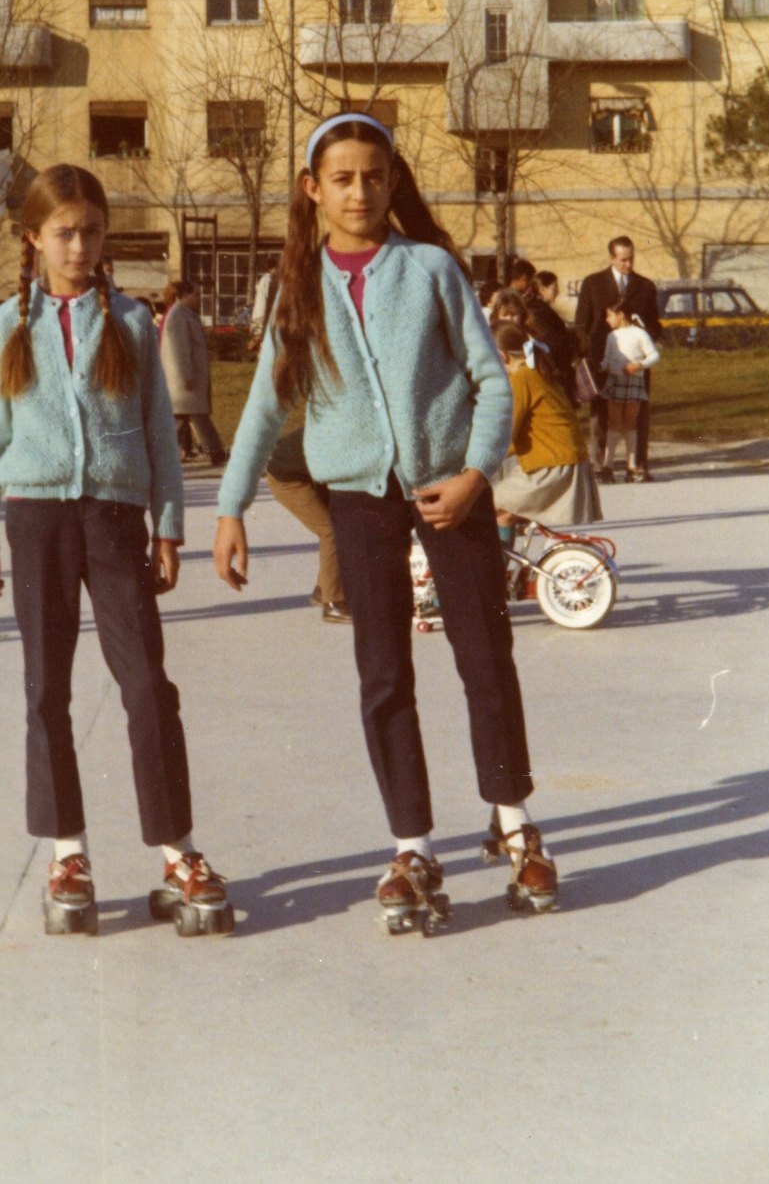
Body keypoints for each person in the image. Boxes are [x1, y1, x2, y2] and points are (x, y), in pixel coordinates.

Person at [213, 111, 558, 922]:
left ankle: (515, 825)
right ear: (313, 190)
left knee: (484, 655)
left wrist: (475, 476)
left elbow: (492, 381)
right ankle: (413, 843)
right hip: (360, 500)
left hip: (451, 491)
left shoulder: (430, 268)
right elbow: (267, 407)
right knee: (383, 671)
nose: (359, 191)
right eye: (342, 178)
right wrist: (230, 509)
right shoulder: (297, 290)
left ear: (393, 180)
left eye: (374, 175)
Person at [0, 164, 229, 936]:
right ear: (34, 238)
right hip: (37, 517)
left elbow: (156, 427)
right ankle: (67, 849)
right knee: (46, 687)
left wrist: (171, 522)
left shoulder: (132, 318)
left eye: (90, 231)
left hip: (115, 520)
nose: (78, 246)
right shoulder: (7, 324)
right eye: (63, 232)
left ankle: (176, 847)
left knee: (147, 684)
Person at [490, 323, 601, 541]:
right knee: (503, 514)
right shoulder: (538, 371)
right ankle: (502, 572)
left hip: (551, 465)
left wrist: (478, 460)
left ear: (501, 356)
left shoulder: (522, 378)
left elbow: (508, 429)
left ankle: (495, 573)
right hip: (563, 460)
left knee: (483, 505)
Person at [575, 236, 661, 481]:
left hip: (636, 364)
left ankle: (637, 466)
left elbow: (655, 324)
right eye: (623, 259)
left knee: (638, 414)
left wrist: (644, 340)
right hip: (604, 358)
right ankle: (602, 466)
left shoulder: (645, 286)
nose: (628, 264)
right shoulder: (593, 283)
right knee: (602, 416)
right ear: (612, 258)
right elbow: (582, 322)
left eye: (631, 258)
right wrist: (589, 354)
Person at [265, 426, 350, 624]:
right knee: (330, 531)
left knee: (340, 525)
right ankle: (333, 604)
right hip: (287, 481)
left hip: (305, 474)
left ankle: (324, 589)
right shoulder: (341, 429)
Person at [159, 280, 226, 466]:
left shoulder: (185, 314)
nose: (199, 298)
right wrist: (186, 376)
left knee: (181, 418)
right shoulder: (178, 315)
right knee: (197, 415)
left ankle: (170, 454)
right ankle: (216, 452)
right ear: (182, 296)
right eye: (195, 294)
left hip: (188, 377)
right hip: (185, 379)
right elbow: (178, 349)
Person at [598, 299, 661, 483]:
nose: (607, 320)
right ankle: (607, 466)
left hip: (633, 382)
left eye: (609, 316)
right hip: (615, 382)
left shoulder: (639, 333)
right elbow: (607, 360)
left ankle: (632, 466)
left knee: (630, 424)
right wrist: (597, 368)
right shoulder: (612, 336)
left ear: (620, 315)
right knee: (614, 424)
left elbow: (654, 355)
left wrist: (639, 365)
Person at [248, 255, 280, 353]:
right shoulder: (268, 280)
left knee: (260, 335)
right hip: (263, 311)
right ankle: (259, 353)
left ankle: (257, 351)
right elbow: (269, 299)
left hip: (259, 311)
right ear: (272, 268)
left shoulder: (264, 279)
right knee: (262, 335)